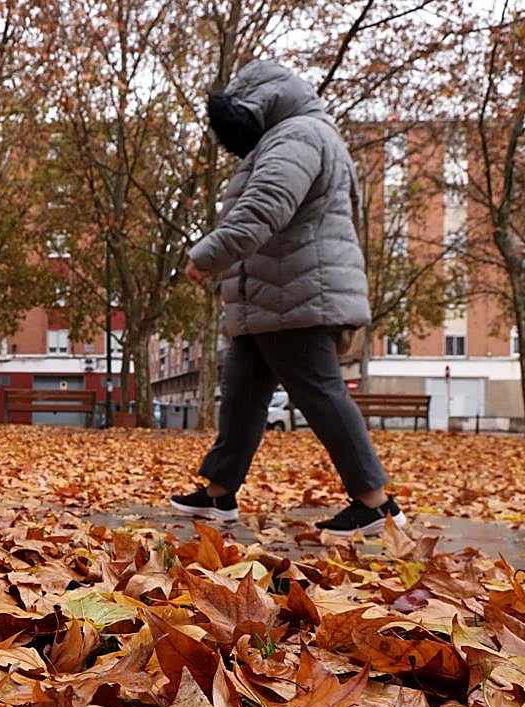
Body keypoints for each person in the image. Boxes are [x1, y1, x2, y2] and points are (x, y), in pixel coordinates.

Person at [168, 60, 405, 537]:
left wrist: (207, 255)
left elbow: (264, 206)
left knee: (319, 393)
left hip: (297, 295)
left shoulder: (296, 137)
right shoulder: (300, 135)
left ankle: (376, 503)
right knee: (241, 392)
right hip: (275, 298)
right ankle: (219, 493)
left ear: (262, 103)